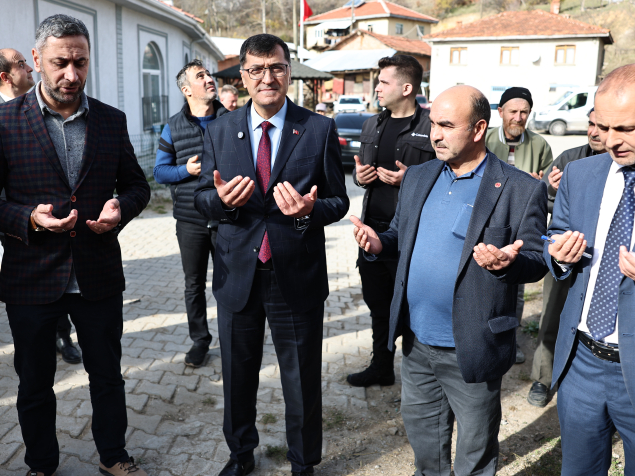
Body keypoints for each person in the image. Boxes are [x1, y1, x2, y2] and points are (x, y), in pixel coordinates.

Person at [0, 14, 151, 476]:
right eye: (60, 63)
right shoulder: (0, 121)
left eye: (80, 63)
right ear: (36, 59)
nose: (71, 74)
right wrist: (27, 217)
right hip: (31, 276)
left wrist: (120, 209)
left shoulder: (111, 120)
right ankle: (42, 464)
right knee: (34, 383)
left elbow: (137, 186)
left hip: (97, 274)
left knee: (107, 376)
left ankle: (113, 456)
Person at [351, 85, 548, 476]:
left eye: (446, 125)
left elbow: (536, 260)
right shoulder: (418, 176)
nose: (435, 135)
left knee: (475, 451)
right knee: (425, 443)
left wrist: (506, 264)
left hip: (472, 346)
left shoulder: (521, 188)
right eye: (432, 125)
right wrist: (378, 243)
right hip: (417, 343)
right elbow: (399, 233)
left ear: (478, 129)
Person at [194, 33, 349, 476]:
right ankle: (241, 454)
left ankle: (303, 462)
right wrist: (222, 201)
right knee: (237, 376)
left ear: (289, 72)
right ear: (243, 76)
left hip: (295, 274)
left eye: (277, 68)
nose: (268, 78)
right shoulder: (220, 129)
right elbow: (201, 197)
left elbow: (338, 201)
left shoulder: (318, 128)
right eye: (257, 69)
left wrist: (309, 211)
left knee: (301, 378)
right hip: (237, 273)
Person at [545, 64, 635, 475]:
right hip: (581, 363)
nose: (610, 141)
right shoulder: (581, 173)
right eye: (603, 127)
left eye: (625, 128)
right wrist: (559, 254)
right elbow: (554, 235)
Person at [0, 48, 82, 365]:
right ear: (5, 76)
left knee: (65, 278)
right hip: (18, 225)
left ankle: (63, 336)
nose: (30, 70)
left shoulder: (48, 107)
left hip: (60, 219)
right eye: (22, 64)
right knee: (33, 293)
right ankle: (37, 344)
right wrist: (21, 219)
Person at [347, 55, 434, 388]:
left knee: (413, 308)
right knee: (378, 305)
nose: (377, 88)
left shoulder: (431, 126)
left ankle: (419, 380)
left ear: (407, 88)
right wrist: (359, 176)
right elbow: (361, 174)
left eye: (384, 82)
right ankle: (381, 367)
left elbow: (448, 176)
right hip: (373, 231)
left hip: (413, 236)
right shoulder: (371, 125)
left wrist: (411, 179)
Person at [527, 108, 606, 407]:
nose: (594, 132)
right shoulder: (569, 159)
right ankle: (542, 377)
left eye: (602, 126)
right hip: (567, 256)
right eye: (591, 124)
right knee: (552, 314)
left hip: (606, 260)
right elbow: (545, 205)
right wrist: (552, 189)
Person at [154, 59, 227, 366]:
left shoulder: (232, 120)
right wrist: (186, 170)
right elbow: (159, 172)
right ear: (186, 90)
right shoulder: (172, 126)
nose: (209, 79)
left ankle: (233, 338)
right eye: (201, 76)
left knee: (230, 283)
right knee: (194, 284)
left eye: (209, 74)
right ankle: (200, 341)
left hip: (227, 218)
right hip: (190, 221)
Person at [485, 86, 553, 363]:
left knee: (517, 288)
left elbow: (550, 187)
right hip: (488, 222)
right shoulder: (485, 138)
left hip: (520, 226)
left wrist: (542, 184)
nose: (518, 117)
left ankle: (509, 341)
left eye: (524, 112)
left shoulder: (540, 145)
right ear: (500, 112)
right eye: (513, 111)